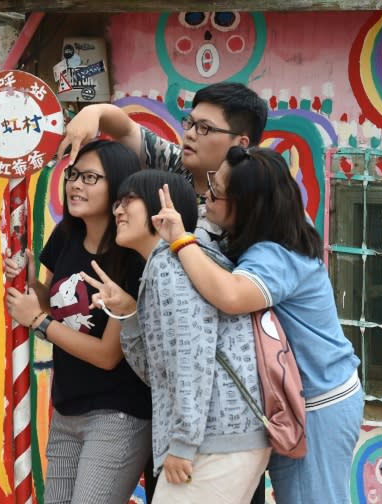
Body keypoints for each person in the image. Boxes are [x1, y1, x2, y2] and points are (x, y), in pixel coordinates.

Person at [154, 146, 363, 503]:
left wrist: (180, 241)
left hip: (318, 404)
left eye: (217, 192)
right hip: (295, 401)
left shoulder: (277, 253)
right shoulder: (278, 224)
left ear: (248, 205)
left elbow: (231, 296)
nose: (207, 196)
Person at [82, 170, 270, 503]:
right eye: (117, 203)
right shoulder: (163, 264)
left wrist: (183, 443)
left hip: (213, 440)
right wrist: (128, 315)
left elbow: (190, 356)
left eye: (129, 201)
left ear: (158, 208)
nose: (118, 211)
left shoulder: (171, 264)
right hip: (221, 436)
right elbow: (156, 373)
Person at [4, 140, 151, 503]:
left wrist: (37, 321)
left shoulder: (130, 255)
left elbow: (107, 354)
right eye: (73, 175)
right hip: (68, 407)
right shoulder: (65, 236)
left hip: (118, 413)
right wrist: (29, 282)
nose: (75, 185)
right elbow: (54, 302)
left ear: (116, 184)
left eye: (90, 177)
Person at [57, 82, 268, 243]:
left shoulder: (258, 202)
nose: (190, 134)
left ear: (241, 144)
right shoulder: (176, 163)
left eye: (204, 128)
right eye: (191, 123)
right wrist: (95, 112)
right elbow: (127, 129)